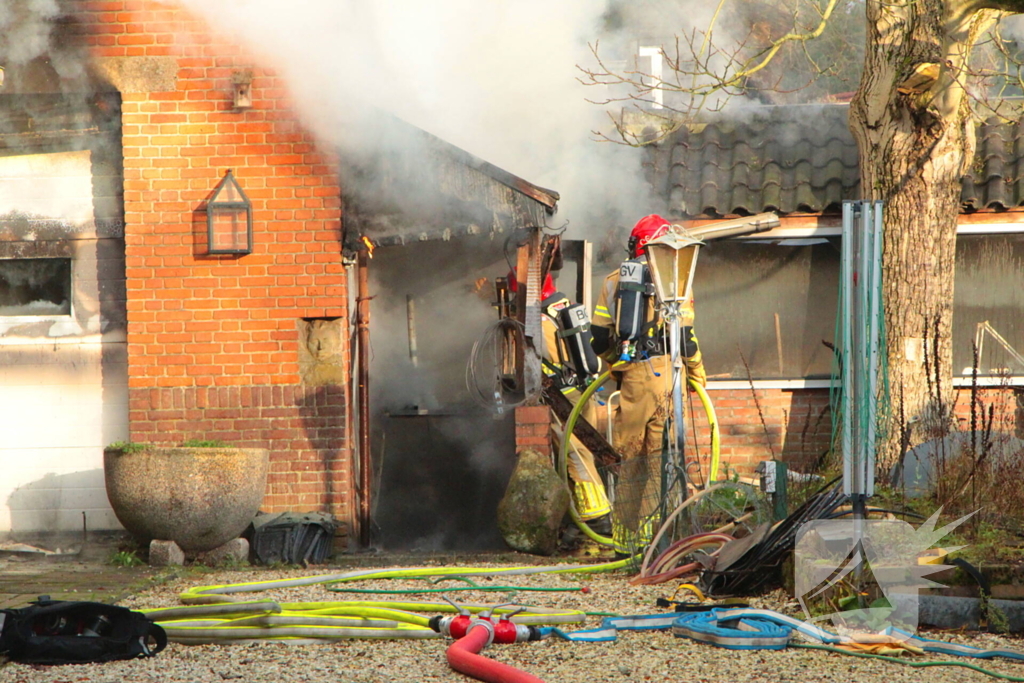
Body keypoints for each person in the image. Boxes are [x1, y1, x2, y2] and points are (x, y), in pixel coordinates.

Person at [590, 214, 706, 555]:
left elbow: (597, 339)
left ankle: (625, 543)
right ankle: (654, 539)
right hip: (667, 373)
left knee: (630, 460)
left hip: (634, 378)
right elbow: (686, 339)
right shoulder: (677, 281)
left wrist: (617, 365)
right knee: (660, 459)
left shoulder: (612, 282)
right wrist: (698, 375)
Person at [506, 269, 612, 541]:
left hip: (564, 397)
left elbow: (546, 361)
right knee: (584, 451)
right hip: (584, 390)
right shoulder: (563, 306)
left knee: (574, 453)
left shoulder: (539, 320)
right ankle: (585, 515)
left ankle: (597, 518)